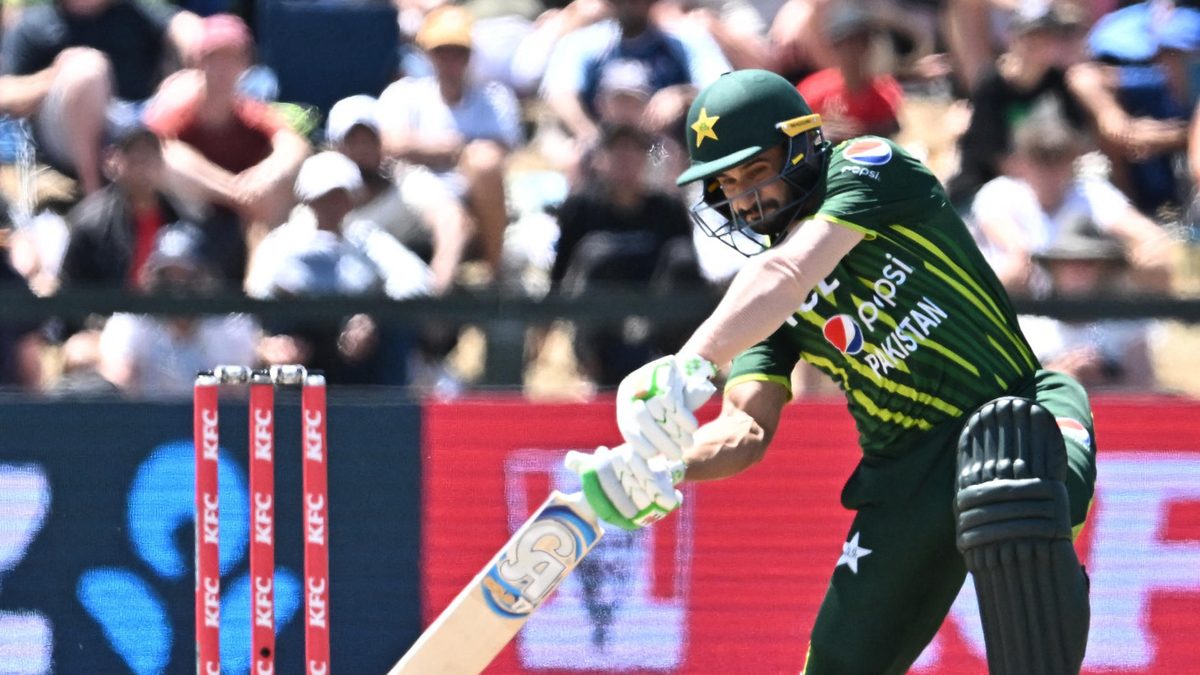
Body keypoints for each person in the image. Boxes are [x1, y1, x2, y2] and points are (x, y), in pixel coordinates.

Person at [563, 69, 1096, 674]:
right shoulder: (760, 308)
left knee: (1014, 479)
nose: (747, 198)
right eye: (729, 185)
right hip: (904, 483)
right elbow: (746, 430)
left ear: (802, 143)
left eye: (757, 171)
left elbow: (790, 273)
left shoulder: (869, 166)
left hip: (1018, 404)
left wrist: (693, 360)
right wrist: (664, 465)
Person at [0, 0, 200, 195]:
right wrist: (55, 75)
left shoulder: (134, 12)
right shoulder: (34, 24)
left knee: (192, 83)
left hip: (139, 121)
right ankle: (96, 198)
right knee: (87, 70)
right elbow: (6, 94)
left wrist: (196, 41)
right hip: (68, 134)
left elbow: (182, 23)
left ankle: (207, 200)